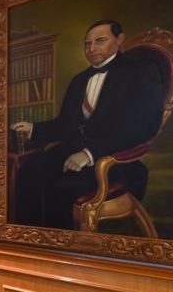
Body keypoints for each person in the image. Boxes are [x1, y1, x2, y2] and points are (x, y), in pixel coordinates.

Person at [11, 19, 164, 230]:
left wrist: (90, 153)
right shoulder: (79, 80)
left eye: (100, 41)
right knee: (28, 172)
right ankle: (28, 238)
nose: (91, 49)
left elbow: (142, 127)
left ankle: (59, 246)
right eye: (87, 43)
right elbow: (65, 124)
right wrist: (34, 128)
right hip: (73, 151)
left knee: (60, 189)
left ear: (119, 39)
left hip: (114, 161)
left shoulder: (141, 72)